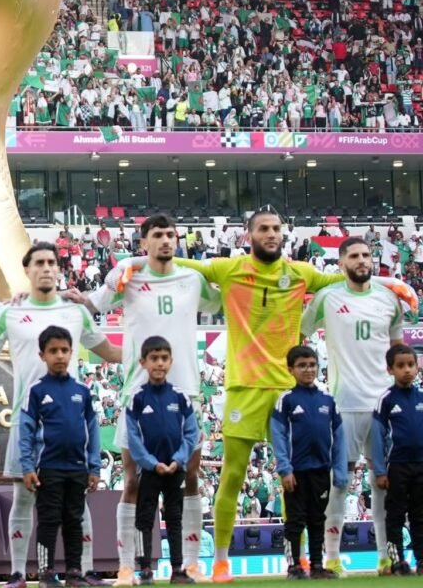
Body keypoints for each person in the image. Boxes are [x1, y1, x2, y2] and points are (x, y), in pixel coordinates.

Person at [121, 208, 416, 583]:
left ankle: (305, 559)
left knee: (303, 482)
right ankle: (221, 561)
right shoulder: (228, 268)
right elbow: (169, 257)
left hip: (289, 392)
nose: (272, 234)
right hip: (244, 388)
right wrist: (126, 265)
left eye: (277, 228)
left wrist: (392, 283)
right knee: (231, 476)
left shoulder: (301, 273)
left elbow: (349, 276)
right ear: (249, 235)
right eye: (264, 229)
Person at [0, 243, 120, 588]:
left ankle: (81, 570)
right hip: (27, 422)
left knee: (75, 502)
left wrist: (149, 351)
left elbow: (110, 352)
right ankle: (19, 574)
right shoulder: (10, 312)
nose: (46, 268)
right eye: (39, 262)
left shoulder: (76, 312)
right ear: (27, 270)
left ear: (59, 268)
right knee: (23, 498)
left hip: (68, 425)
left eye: (52, 262)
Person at [82, 214, 219, 584]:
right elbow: (92, 305)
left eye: (170, 235)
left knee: (191, 477)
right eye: (157, 235)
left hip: (186, 390)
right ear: (143, 242)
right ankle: (127, 564)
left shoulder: (192, 279)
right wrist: (121, 267)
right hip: (136, 393)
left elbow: (228, 290)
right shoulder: (129, 277)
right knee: (131, 482)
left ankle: (190, 562)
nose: (165, 240)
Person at [299, 236, 405, 574]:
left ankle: (385, 556)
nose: (362, 261)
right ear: (341, 262)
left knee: (382, 482)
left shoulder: (388, 300)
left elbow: (398, 349)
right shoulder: (327, 298)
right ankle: (330, 555)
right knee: (339, 483)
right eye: (354, 256)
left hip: (382, 408)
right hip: (342, 405)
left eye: (366, 256)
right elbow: (299, 332)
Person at [17, 326, 101, 588]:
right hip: (48, 468)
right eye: (53, 351)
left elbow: (93, 430)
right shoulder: (36, 391)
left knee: (74, 521)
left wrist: (94, 467)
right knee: (49, 520)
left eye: (64, 350)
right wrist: (27, 466)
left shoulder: (82, 391)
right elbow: (26, 431)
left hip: (77, 468)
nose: (60, 355)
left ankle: (74, 572)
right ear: (42, 355)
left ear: (71, 353)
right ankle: (46, 573)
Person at [124, 336, 198, 585]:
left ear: (171, 362)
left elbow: (191, 433)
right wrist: (150, 463)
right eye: (154, 358)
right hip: (150, 469)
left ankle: (177, 568)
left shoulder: (180, 397)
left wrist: (178, 460)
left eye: (164, 358)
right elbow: (133, 438)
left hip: (176, 468)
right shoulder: (137, 399)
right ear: (143, 362)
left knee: (175, 517)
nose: (159, 363)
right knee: (144, 518)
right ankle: (145, 568)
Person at [269, 345, 346, 579]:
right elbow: (278, 436)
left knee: (317, 519)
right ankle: (294, 566)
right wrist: (285, 468)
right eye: (302, 365)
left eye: (312, 364)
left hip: (321, 471)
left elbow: (339, 437)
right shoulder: (286, 400)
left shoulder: (328, 400)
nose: (308, 369)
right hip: (296, 473)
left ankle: (317, 566)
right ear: (291, 369)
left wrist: (340, 471)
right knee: (296, 520)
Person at [370, 343, 423, 576]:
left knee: (420, 515)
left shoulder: (421, 397)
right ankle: (397, 560)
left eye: (411, 365)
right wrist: (380, 471)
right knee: (396, 515)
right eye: (401, 366)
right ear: (390, 370)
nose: (407, 370)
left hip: (421, 465)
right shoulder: (386, 400)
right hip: (398, 466)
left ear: (417, 367)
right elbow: (377, 437)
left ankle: (421, 560)